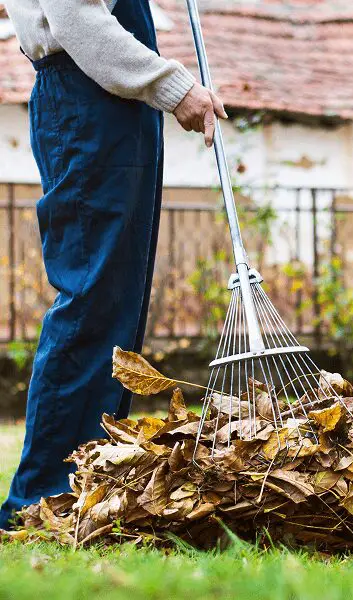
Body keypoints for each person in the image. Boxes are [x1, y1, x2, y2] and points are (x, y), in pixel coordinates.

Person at [0, 0, 226, 529]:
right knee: (91, 300)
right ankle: (42, 498)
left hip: (108, 107)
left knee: (115, 307)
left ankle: (89, 485)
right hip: (85, 102)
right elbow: (77, 18)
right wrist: (175, 87)